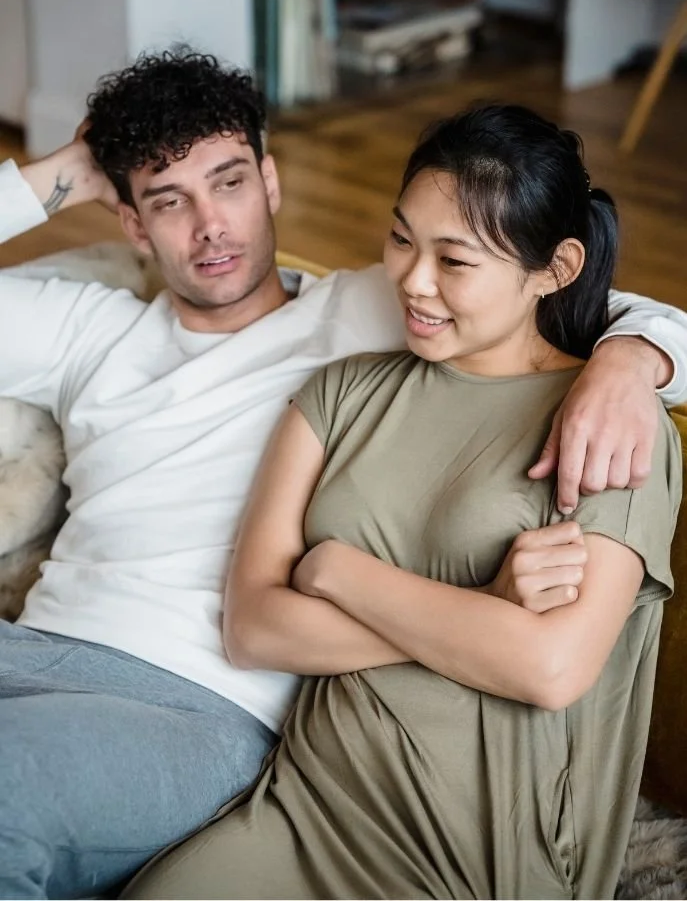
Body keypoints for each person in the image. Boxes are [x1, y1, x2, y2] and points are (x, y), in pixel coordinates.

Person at [0, 53, 684, 900]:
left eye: (228, 182)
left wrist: (633, 357)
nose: (210, 225)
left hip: (189, 699)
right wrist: (65, 169)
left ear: (272, 180)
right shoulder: (85, 330)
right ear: (131, 222)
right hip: (30, 649)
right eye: (168, 199)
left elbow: (548, 290)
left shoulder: (364, 310)